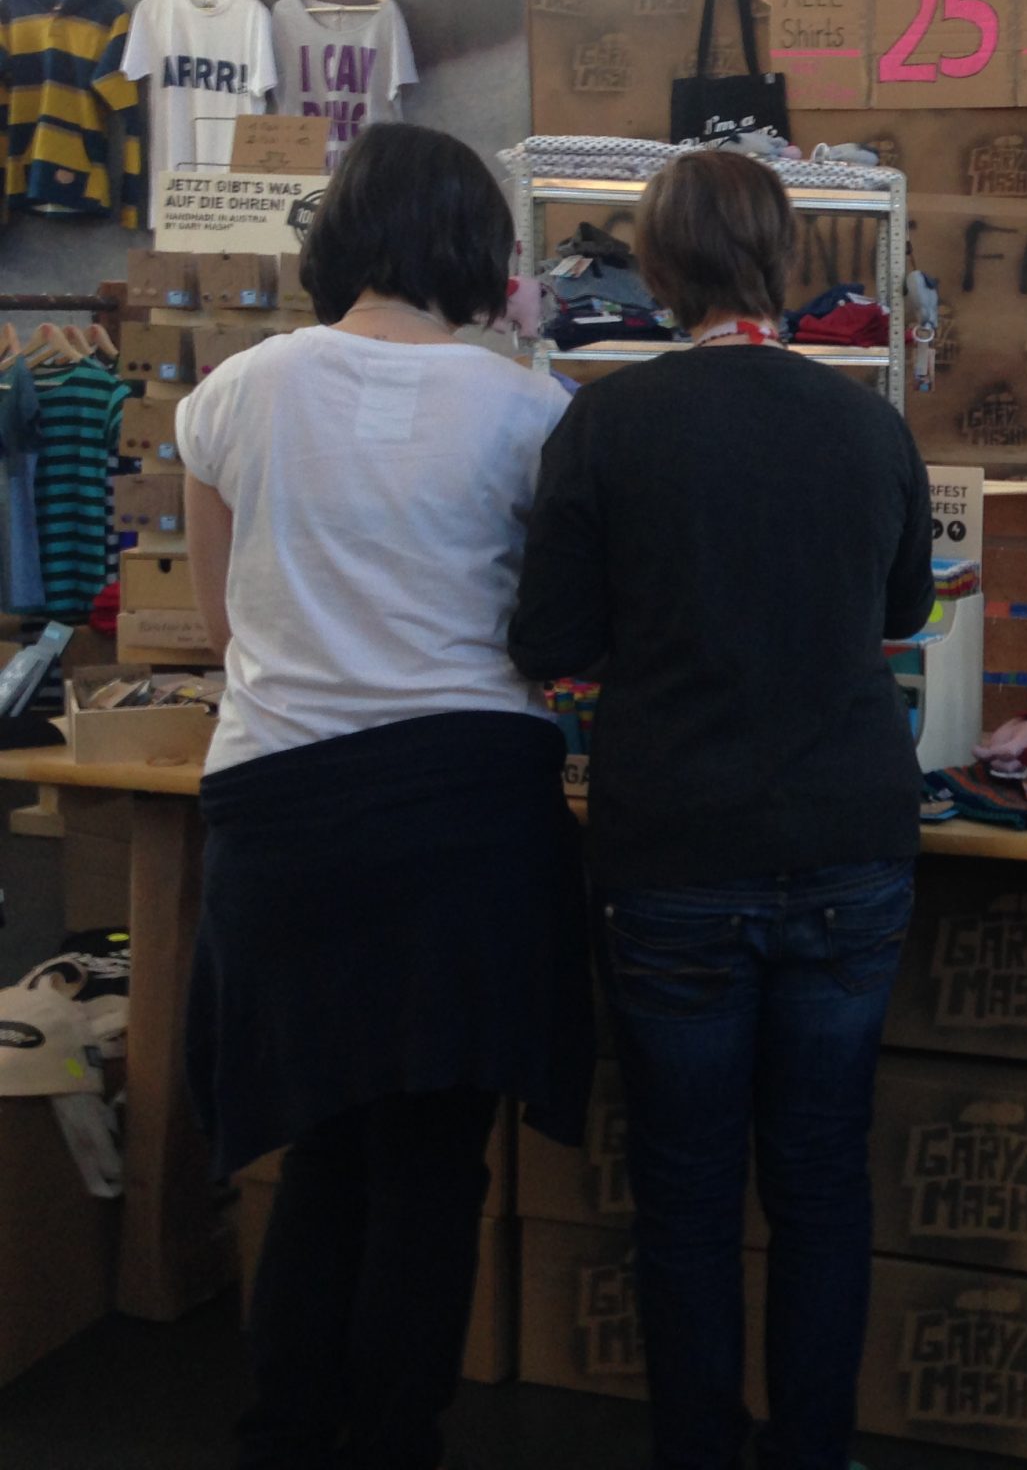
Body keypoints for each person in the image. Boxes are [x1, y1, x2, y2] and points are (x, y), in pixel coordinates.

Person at [509, 149, 935, 1470]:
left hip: (674, 848)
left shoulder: (606, 424)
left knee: (685, 1195)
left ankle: (696, 1449)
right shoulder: (868, 425)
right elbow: (904, 612)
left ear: (655, 268)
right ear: (784, 259)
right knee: (821, 1182)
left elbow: (549, 639)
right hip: (850, 838)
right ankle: (814, 1453)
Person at [178, 122, 593, 1470]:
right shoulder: (531, 410)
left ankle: (284, 1434)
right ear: (479, 248)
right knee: (430, 1165)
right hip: (464, 813)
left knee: (321, 1150)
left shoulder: (235, 391)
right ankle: (395, 1439)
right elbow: (554, 634)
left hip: (281, 808)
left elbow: (218, 621)